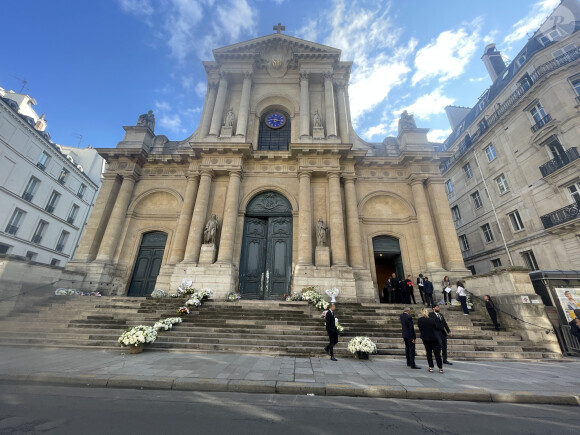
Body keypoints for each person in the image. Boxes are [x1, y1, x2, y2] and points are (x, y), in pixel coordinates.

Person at [417, 308, 443, 373]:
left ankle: (431, 367)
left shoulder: (420, 320)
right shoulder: (432, 320)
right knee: (437, 353)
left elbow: (420, 328)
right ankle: (440, 368)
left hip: (425, 338)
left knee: (428, 353)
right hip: (433, 338)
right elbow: (435, 327)